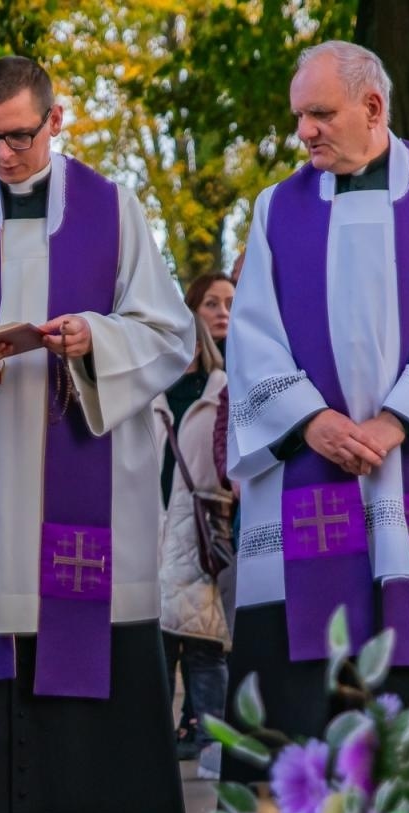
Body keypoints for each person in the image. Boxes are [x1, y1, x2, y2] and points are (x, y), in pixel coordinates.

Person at [0, 57, 197, 813]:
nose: (1, 155)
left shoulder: (115, 209)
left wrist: (96, 337)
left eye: (18, 136)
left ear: (55, 122)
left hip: (85, 508)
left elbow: (172, 335)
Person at [222, 42, 409, 813]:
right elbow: (255, 332)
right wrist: (311, 422)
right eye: (298, 117)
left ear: (374, 109)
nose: (304, 133)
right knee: (308, 671)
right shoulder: (279, 208)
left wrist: (393, 424)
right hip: (315, 468)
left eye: (321, 115)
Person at [158, 282, 233, 760]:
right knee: (159, 645)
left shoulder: (219, 387)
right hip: (158, 524)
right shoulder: (151, 391)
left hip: (202, 525)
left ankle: (212, 742)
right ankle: (156, 741)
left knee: (204, 645)